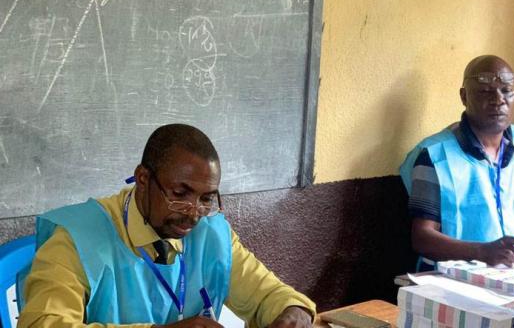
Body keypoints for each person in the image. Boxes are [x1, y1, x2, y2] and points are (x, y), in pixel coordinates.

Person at [18, 124, 315, 328]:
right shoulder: (75, 238)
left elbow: (270, 295)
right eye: (179, 194)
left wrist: (294, 312)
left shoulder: (211, 234)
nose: (193, 213)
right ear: (144, 180)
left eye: (206, 198)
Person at [400, 55, 514, 270]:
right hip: (452, 274)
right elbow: (423, 238)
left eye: (506, 90)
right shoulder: (436, 156)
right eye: (485, 91)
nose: (498, 99)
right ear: (464, 97)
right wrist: (482, 252)